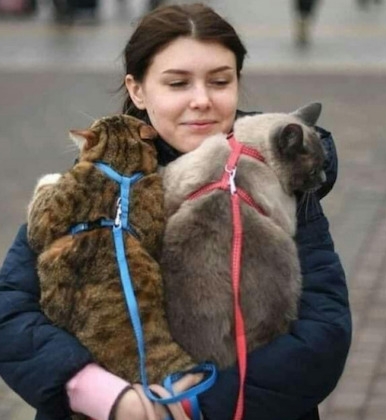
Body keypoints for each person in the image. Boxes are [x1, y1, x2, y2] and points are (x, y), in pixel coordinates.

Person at [0, 4, 351, 420]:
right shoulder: (91, 183)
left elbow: (324, 331)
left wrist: (201, 404)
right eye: (178, 83)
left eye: (220, 81)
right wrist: (101, 394)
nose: (201, 100)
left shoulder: (276, 184)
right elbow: (11, 310)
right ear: (138, 90)